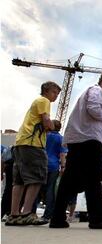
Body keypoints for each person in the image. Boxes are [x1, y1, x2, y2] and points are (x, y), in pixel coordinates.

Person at [49, 73, 102, 229]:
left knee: (69, 180)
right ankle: (98, 218)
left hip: (79, 139)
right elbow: (93, 108)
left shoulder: (91, 91)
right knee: (94, 179)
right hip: (88, 140)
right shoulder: (96, 91)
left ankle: (57, 217)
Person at [5, 81, 61, 226]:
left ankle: (14, 214)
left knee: (19, 181)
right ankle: (27, 213)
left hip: (20, 143)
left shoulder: (36, 101)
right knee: (37, 177)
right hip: (33, 144)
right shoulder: (44, 100)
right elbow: (47, 121)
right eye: (55, 92)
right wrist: (52, 126)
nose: (56, 96)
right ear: (47, 91)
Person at [41, 120, 67, 222]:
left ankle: (31, 212)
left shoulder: (44, 136)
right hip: (54, 166)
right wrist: (63, 166)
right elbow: (62, 154)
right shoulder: (61, 139)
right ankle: (47, 214)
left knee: (37, 188)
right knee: (50, 189)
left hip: (41, 164)